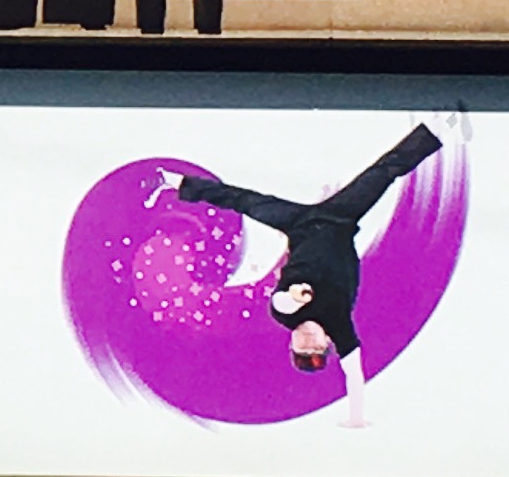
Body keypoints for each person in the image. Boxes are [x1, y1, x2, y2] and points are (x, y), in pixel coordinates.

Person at [161, 122, 446, 429]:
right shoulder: (339, 326)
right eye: (317, 347)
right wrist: (356, 415)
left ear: (292, 342)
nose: (309, 341)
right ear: (328, 342)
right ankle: (438, 132)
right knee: (383, 173)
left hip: (299, 224)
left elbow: (284, 301)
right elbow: (354, 373)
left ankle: (178, 183)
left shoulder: (283, 314)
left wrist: (297, 296)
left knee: (245, 201)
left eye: (302, 347)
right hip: (340, 218)